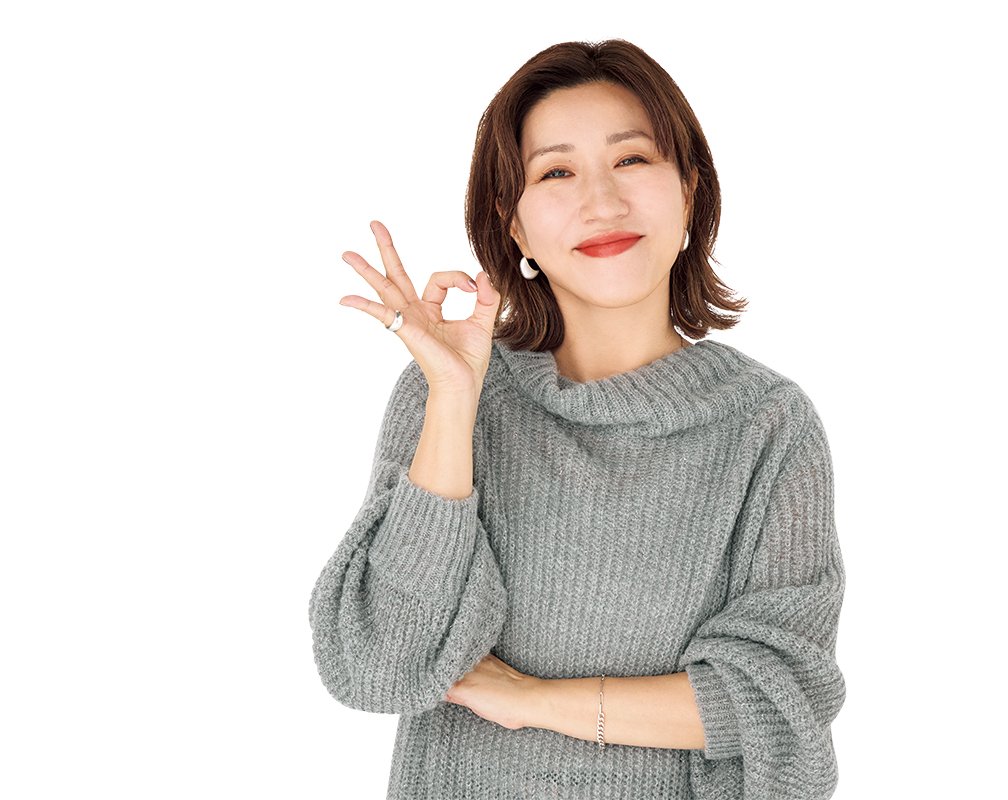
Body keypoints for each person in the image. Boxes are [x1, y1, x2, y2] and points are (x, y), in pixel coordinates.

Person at [308, 39, 847, 799]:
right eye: (556, 172)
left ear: (689, 192)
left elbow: (779, 700)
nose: (603, 201)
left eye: (632, 159)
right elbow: (378, 666)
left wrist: (532, 701)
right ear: (515, 226)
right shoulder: (452, 395)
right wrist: (455, 401)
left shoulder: (767, 425)